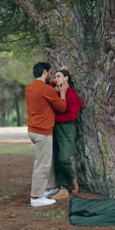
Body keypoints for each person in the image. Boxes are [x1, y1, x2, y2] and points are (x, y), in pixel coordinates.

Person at [25, 62, 68, 207]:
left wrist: (58, 76)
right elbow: (62, 108)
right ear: (44, 72)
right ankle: (36, 198)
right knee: (42, 165)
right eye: (49, 73)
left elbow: (46, 87)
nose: (51, 76)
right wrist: (62, 93)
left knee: (44, 163)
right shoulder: (46, 90)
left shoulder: (29, 88)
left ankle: (41, 191)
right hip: (43, 132)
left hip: (32, 131)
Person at [50, 68, 81, 200]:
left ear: (67, 78)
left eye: (59, 76)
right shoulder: (58, 92)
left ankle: (73, 181)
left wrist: (54, 119)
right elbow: (48, 84)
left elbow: (72, 116)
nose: (56, 79)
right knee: (56, 159)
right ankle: (62, 187)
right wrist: (57, 78)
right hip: (56, 129)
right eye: (55, 77)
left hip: (67, 129)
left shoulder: (71, 94)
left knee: (64, 158)